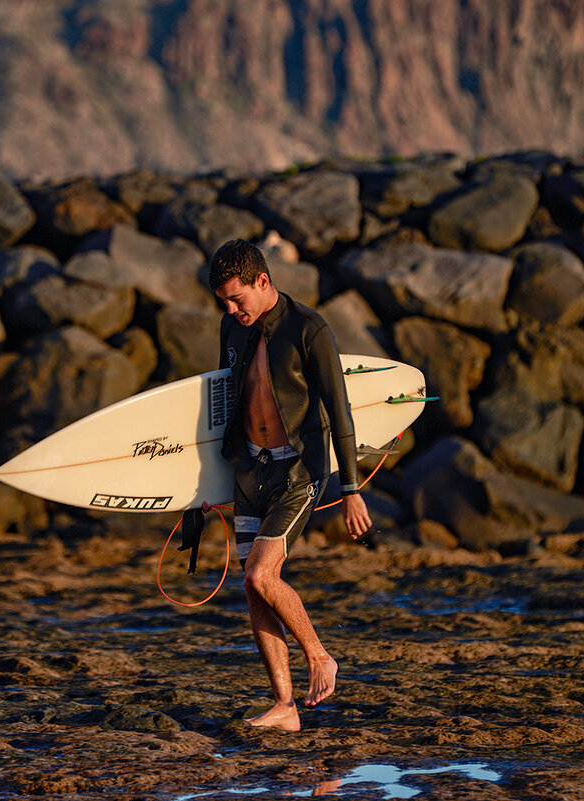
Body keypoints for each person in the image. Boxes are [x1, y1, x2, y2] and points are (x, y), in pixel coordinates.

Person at [207, 238, 372, 732]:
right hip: (249, 471)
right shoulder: (231, 330)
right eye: (224, 303)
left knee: (261, 574)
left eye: (238, 298)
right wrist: (202, 492)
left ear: (263, 281)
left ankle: (320, 657)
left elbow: (338, 410)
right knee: (254, 590)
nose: (232, 310)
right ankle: (285, 707)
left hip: (297, 471)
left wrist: (352, 489)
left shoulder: (308, 328)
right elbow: (223, 404)